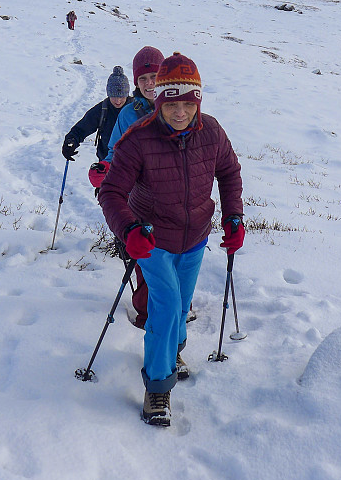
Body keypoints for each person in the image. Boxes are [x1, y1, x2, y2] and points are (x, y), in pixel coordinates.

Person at [98, 52, 245, 427]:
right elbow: (112, 191)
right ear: (158, 101)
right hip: (152, 239)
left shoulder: (211, 131)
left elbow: (229, 173)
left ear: (197, 101)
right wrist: (129, 230)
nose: (180, 113)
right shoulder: (138, 139)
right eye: (171, 104)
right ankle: (157, 389)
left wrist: (233, 216)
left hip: (195, 237)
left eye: (187, 104)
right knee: (164, 306)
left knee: (181, 306)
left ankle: (172, 350)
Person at [98, 46, 164, 326]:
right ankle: (149, 316)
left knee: (174, 262)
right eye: (143, 79)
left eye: (154, 76)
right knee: (147, 261)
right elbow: (115, 150)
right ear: (136, 83)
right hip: (142, 200)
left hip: (176, 200)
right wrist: (106, 170)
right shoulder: (129, 113)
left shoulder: (180, 106)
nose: (149, 84)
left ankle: (173, 309)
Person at [62, 66, 131, 174]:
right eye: (113, 96)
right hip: (107, 165)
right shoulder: (103, 110)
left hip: (134, 165)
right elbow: (81, 128)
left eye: (121, 96)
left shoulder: (136, 108)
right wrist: (71, 141)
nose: (118, 101)